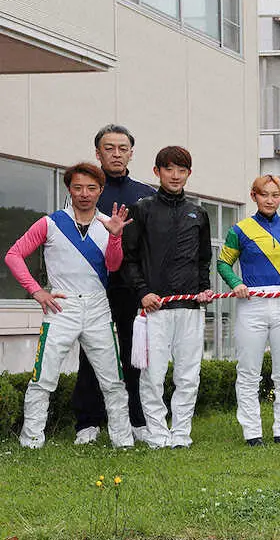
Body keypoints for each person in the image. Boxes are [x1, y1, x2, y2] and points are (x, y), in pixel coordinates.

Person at [5, 163, 134, 449]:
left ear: (101, 190)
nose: (84, 194)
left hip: (99, 307)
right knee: (43, 378)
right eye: (78, 188)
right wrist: (37, 291)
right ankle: (31, 441)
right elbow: (13, 255)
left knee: (113, 380)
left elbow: (113, 266)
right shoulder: (50, 222)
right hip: (60, 307)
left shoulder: (108, 223)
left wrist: (115, 236)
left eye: (91, 188)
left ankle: (123, 441)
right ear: (69, 189)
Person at [120, 146, 215, 449]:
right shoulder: (142, 209)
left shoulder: (198, 213)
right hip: (155, 308)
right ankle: (158, 435)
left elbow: (203, 260)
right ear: (157, 172)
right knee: (152, 377)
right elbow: (128, 258)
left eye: (182, 170)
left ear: (189, 173)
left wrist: (204, 288)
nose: (175, 175)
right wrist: (143, 292)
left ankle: (181, 435)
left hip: (190, 308)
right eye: (169, 169)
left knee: (188, 376)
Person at [217, 175, 280, 446]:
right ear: (254, 196)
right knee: (248, 370)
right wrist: (236, 283)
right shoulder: (239, 230)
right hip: (251, 305)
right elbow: (223, 263)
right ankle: (252, 432)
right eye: (264, 194)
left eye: (275, 195)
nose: (270, 200)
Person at [73, 124, 156, 445]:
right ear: (98, 153)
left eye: (123, 148)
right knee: (91, 353)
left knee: (134, 354)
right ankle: (88, 422)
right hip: (93, 286)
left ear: (131, 153)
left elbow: (151, 245)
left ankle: (137, 419)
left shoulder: (144, 194)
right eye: (109, 148)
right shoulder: (89, 191)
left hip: (132, 288)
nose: (116, 153)